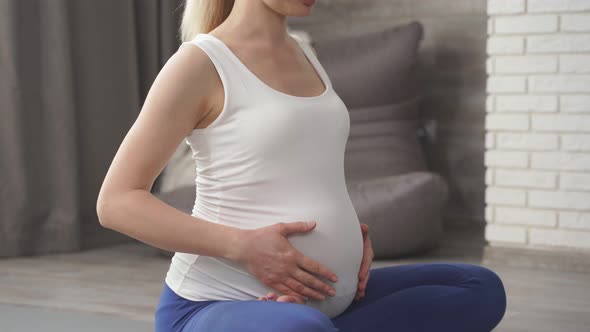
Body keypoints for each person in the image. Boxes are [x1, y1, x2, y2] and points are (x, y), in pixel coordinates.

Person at [96, 0, 507, 331]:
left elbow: (307, 169)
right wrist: (244, 247)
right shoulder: (200, 64)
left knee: (479, 288)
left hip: (329, 300)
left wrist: (348, 237)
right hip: (215, 301)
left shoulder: (305, 53)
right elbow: (116, 202)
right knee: (300, 328)